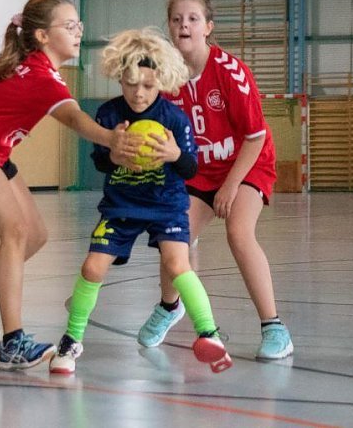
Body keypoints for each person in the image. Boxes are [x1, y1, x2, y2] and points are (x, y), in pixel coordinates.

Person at [0, 0, 133, 370]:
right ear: (42, 35)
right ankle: (13, 342)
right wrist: (111, 139)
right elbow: (75, 119)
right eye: (69, 26)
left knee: (35, 235)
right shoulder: (42, 76)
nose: (77, 32)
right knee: (16, 229)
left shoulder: (29, 63)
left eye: (79, 26)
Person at [49, 28, 232, 375]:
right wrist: (115, 157)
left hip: (167, 204)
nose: (139, 93)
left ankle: (209, 333)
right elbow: (100, 160)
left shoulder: (174, 119)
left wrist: (174, 153)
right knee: (91, 268)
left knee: (178, 265)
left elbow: (190, 167)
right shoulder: (107, 115)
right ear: (120, 78)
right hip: (121, 206)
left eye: (148, 85)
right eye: (131, 84)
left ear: (160, 81)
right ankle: (71, 339)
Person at [133, 0, 293, 360]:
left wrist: (231, 187)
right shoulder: (162, 76)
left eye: (192, 19)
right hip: (197, 170)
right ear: (170, 28)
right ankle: (170, 306)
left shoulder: (231, 72)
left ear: (208, 27)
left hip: (247, 163)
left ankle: (275, 328)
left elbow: (255, 138)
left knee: (239, 233)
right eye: (176, 19)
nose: (183, 25)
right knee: (173, 235)